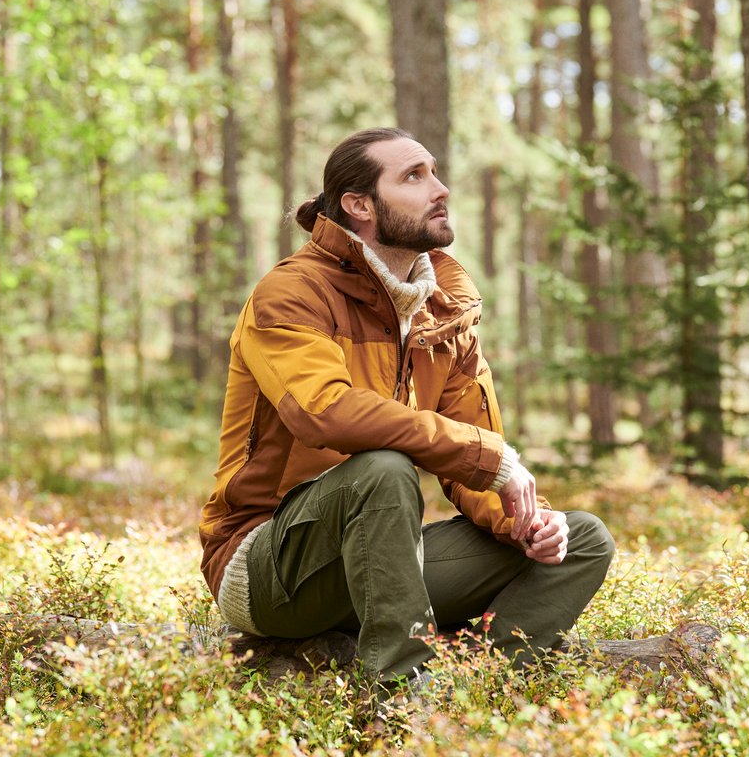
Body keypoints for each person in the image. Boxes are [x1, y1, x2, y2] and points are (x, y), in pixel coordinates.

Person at [198, 127, 615, 686]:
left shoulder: (444, 310)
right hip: (270, 566)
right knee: (382, 469)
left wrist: (519, 524)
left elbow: (470, 461)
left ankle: (478, 687)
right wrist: (491, 457)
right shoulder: (292, 293)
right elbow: (322, 412)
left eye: (435, 172)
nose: (439, 189)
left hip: (373, 562)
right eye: (414, 177)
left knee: (582, 539)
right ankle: (399, 701)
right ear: (359, 205)